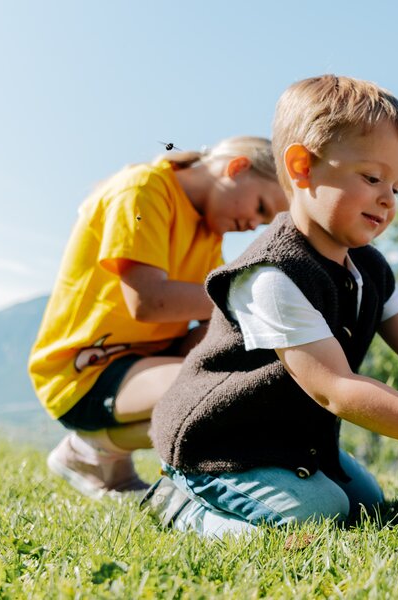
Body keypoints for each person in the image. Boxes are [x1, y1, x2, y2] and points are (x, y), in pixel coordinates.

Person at [142, 75, 398, 538]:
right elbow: (336, 389)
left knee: (366, 505)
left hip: (292, 438)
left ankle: (295, 476)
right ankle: (180, 503)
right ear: (303, 167)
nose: (388, 199)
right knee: (316, 512)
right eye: (372, 178)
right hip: (222, 445)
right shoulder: (272, 276)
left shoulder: (367, 267)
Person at [29, 136, 289, 499]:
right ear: (237, 167)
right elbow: (148, 301)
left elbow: (208, 323)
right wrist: (250, 301)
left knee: (257, 377)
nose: (254, 225)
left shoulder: (207, 230)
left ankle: (110, 461)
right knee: (229, 392)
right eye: (261, 207)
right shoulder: (142, 189)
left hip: (144, 364)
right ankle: (90, 452)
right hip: (85, 371)